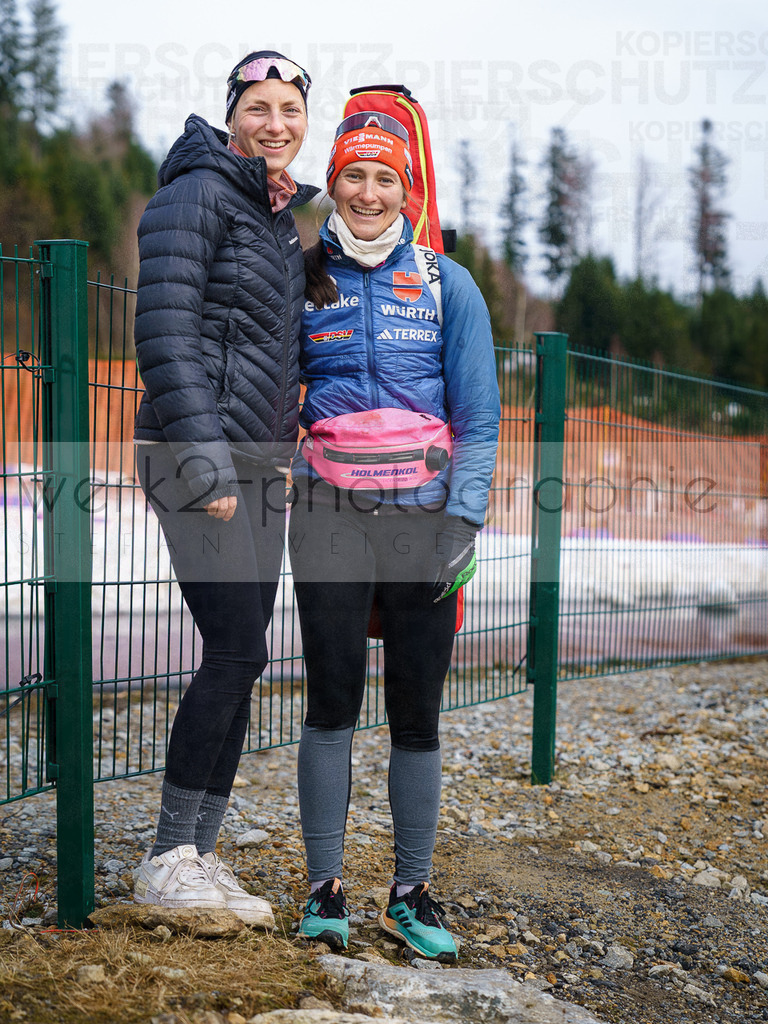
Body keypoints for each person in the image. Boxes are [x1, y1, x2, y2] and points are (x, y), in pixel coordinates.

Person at [288, 110, 501, 960]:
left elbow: (479, 418)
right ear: (332, 184)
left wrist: (467, 516)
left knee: (417, 713)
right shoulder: (297, 278)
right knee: (330, 701)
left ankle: (410, 893)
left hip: (426, 522)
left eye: (385, 178)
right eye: (353, 176)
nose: (368, 192)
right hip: (327, 515)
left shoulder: (449, 283)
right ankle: (323, 890)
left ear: (406, 189)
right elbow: (269, 388)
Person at [131, 50, 318, 926]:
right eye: (260, 108)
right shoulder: (196, 194)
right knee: (238, 650)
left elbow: (272, 347)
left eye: (290, 109)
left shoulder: (276, 217)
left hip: (260, 467)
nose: (275, 124)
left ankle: (197, 853)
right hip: (194, 458)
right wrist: (205, 465)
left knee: (245, 657)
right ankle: (167, 857)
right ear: (232, 112)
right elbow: (165, 333)